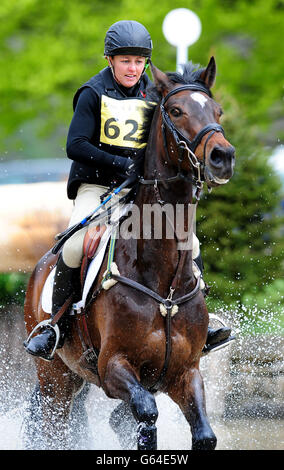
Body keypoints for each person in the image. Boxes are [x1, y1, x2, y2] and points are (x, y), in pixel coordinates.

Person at [24, 20, 231, 361]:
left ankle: (201, 325)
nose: (133, 68)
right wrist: (120, 164)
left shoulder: (155, 95)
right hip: (98, 186)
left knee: (188, 242)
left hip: (142, 189)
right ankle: (55, 326)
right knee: (76, 245)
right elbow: (75, 145)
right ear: (110, 61)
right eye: (125, 61)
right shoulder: (93, 93)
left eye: (139, 62)